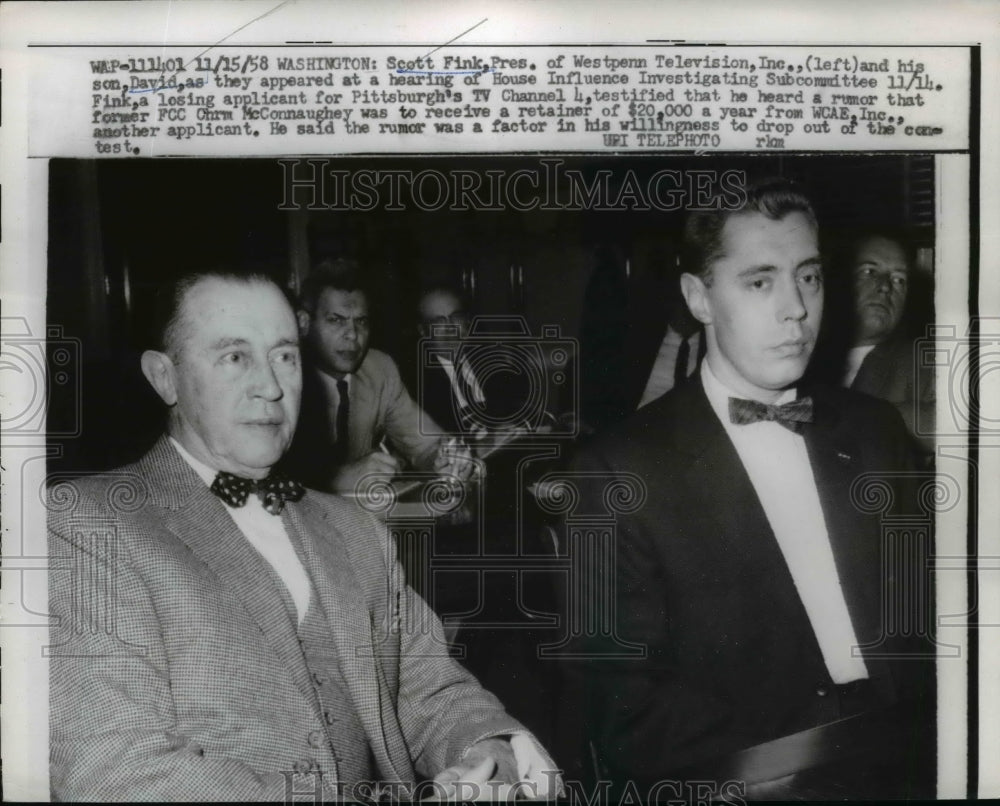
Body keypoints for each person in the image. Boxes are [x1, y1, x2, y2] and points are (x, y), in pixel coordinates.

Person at [47, 268, 560, 801]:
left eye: (285, 355)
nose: (270, 386)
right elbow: (113, 770)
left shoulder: (353, 528)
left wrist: (484, 750)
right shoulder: (86, 524)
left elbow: (427, 684)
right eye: (235, 356)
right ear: (164, 377)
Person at [559, 180, 933, 789]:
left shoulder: (876, 431)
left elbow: (937, 619)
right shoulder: (616, 471)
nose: (796, 309)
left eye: (808, 277)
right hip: (747, 777)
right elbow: (624, 705)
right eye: (760, 281)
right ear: (697, 297)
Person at [286, 260, 473, 495]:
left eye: (361, 321)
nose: (352, 335)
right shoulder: (282, 379)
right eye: (336, 320)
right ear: (304, 323)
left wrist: (444, 460)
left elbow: (425, 443)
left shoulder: (378, 369)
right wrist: (333, 479)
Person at [843, 230, 935, 455]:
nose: (885, 286)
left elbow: (956, 428)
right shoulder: (805, 356)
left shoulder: (925, 358)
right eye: (869, 271)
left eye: (898, 279)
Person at [413, 285, 535, 439]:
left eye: (456, 317)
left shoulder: (495, 364)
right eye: (438, 322)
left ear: (468, 323)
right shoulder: (414, 385)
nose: (450, 328)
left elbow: (521, 413)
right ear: (423, 331)